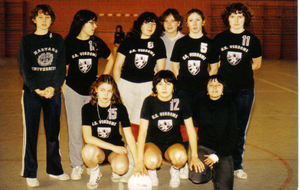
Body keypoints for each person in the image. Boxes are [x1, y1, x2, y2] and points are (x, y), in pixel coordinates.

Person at [18, 4, 69, 187]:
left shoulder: (57, 39)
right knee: (31, 134)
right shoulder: (27, 40)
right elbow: (24, 68)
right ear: (34, 20)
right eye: (40, 17)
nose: (44, 20)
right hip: (32, 94)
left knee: (53, 133)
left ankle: (55, 170)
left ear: (52, 19)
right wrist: (35, 88)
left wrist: (53, 87)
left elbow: (61, 67)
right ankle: (30, 173)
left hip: (52, 93)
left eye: (47, 17)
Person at [213, 3, 262, 179]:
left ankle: (237, 166)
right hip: (223, 91)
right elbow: (214, 64)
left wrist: (239, 71)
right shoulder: (219, 39)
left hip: (245, 91)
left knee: (240, 128)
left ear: (245, 19)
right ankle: (218, 164)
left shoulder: (253, 40)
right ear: (227, 18)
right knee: (221, 127)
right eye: (232, 16)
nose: (236, 20)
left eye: (240, 16)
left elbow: (256, 64)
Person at [64, 9, 114, 181]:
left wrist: (102, 78)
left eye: (95, 22)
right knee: (75, 128)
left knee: (93, 128)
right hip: (73, 90)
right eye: (91, 22)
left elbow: (111, 58)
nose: (95, 26)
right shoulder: (69, 43)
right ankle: (77, 165)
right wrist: (64, 87)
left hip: (92, 92)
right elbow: (64, 67)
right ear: (81, 23)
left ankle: (92, 163)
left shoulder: (96, 42)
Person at [133, 70, 204, 188]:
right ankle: (152, 171)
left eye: (168, 84)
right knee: (150, 161)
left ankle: (175, 169)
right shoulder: (149, 101)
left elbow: (191, 130)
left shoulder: (181, 101)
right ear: (155, 87)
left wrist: (194, 156)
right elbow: (142, 132)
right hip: (153, 143)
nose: (164, 88)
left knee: (181, 157)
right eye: (160, 84)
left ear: (174, 86)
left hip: (173, 143)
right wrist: (139, 160)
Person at [113, 12, 166, 140]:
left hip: (145, 86)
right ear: (139, 25)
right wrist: (117, 86)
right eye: (147, 23)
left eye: (153, 24)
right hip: (126, 84)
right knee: (125, 119)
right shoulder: (128, 41)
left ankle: (134, 155)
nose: (150, 26)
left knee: (138, 120)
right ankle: (127, 148)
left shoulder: (158, 43)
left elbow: (160, 70)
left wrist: (155, 89)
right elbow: (117, 66)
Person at [81, 75, 137, 189]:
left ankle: (115, 170)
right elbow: (88, 138)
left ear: (113, 92)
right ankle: (94, 171)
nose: (105, 95)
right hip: (97, 149)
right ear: (96, 89)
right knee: (87, 151)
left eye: (109, 91)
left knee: (121, 168)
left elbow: (129, 136)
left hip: (115, 151)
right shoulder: (87, 108)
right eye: (102, 90)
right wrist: (112, 147)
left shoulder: (120, 108)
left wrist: (138, 162)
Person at [189, 75, 238, 190]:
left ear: (223, 89)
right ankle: (209, 173)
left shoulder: (230, 105)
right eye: (211, 85)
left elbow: (233, 135)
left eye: (218, 85)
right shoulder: (199, 103)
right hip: (204, 148)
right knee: (196, 176)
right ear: (206, 89)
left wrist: (217, 156)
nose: (214, 88)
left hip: (223, 152)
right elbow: (182, 110)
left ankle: (217, 171)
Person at [171, 8, 219, 103]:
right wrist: (180, 83)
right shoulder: (180, 43)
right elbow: (175, 66)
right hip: (183, 89)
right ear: (187, 23)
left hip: (202, 90)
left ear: (203, 22)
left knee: (200, 117)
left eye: (198, 20)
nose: (194, 23)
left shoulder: (210, 43)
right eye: (191, 20)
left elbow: (214, 68)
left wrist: (206, 83)